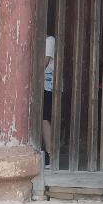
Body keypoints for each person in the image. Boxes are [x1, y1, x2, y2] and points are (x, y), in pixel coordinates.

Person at [43, 33, 56, 167]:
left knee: (44, 118)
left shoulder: (49, 40)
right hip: (41, 85)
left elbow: (44, 62)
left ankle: (50, 154)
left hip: (48, 85)